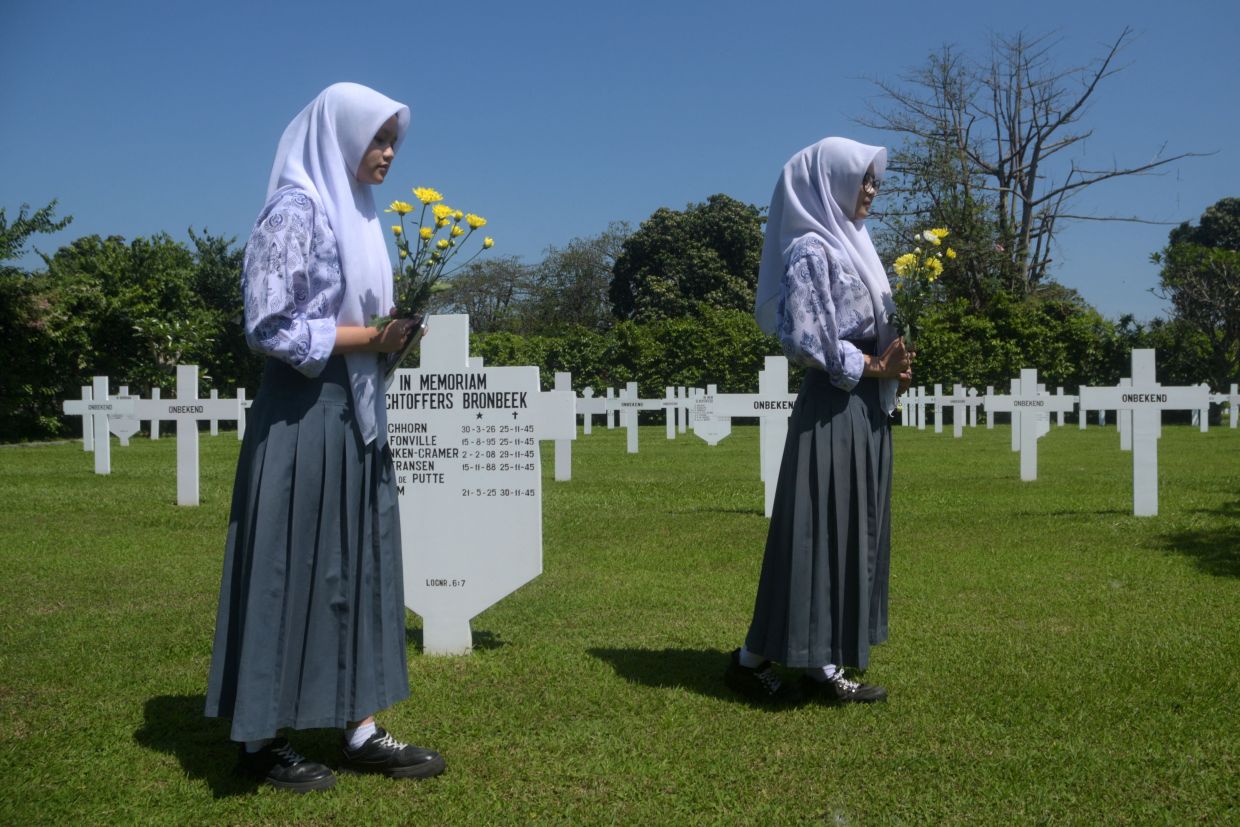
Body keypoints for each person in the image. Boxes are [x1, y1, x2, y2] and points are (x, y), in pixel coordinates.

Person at [205, 83, 443, 792]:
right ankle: (260, 738)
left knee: (357, 563)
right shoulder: (297, 207)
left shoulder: (360, 215)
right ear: (339, 137)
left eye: (394, 140)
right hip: (303, 412)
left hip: (355, 407)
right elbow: (269, 324)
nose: (389, 153)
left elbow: (351, 319)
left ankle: (358, 725)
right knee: (289, 562)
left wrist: (391, 337)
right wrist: (373, 335)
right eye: (377, 139)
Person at [725, 137, 912, 705]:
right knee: (818, 532)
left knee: (848, 528)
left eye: (875, 181)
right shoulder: (811, 248)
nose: (871, 191)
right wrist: (876, 365)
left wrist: (896, 363)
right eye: (863, 180)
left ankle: (771, 657)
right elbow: (806, 339)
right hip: (832, 405)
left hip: (862, 407)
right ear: (828, 182)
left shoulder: (857, 244)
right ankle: (800, 661)